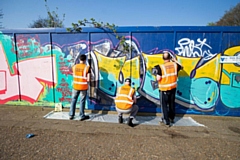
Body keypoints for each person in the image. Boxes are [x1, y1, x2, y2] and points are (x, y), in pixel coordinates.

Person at [155, 51, 183, 126]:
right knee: (171, 104)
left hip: (164, 89)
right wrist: (175, 60)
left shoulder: (161, 67)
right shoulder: (175, 65)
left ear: (163, 58)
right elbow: (181, 66)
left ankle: (166, 120)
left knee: (164, 105)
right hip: (173, 88)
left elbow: (158, 78)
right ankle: (171, 118)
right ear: (170, 58)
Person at [69, 54, 91, 121]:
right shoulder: (87, 68)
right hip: (83, 86)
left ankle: (71, 115)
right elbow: (88, 79)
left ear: (79, 59)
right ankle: (81, 116)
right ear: (85, 60)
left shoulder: (74, 67)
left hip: (75, 86)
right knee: (82, 101)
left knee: (73, 100)